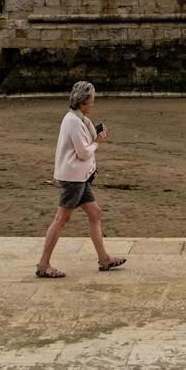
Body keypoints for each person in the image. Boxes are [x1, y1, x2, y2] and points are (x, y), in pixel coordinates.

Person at [35, 79, 125, 278]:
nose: (93, 104)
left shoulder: (78, 119)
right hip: (73, 178)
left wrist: (95, 139)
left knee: (95, 213)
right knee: (61, 219)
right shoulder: (73, 121)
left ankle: (104, 259)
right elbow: (83, 152)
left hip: (79, 177)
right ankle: (43, 264)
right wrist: (97, 142)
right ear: (83, 102)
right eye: (92, 100)